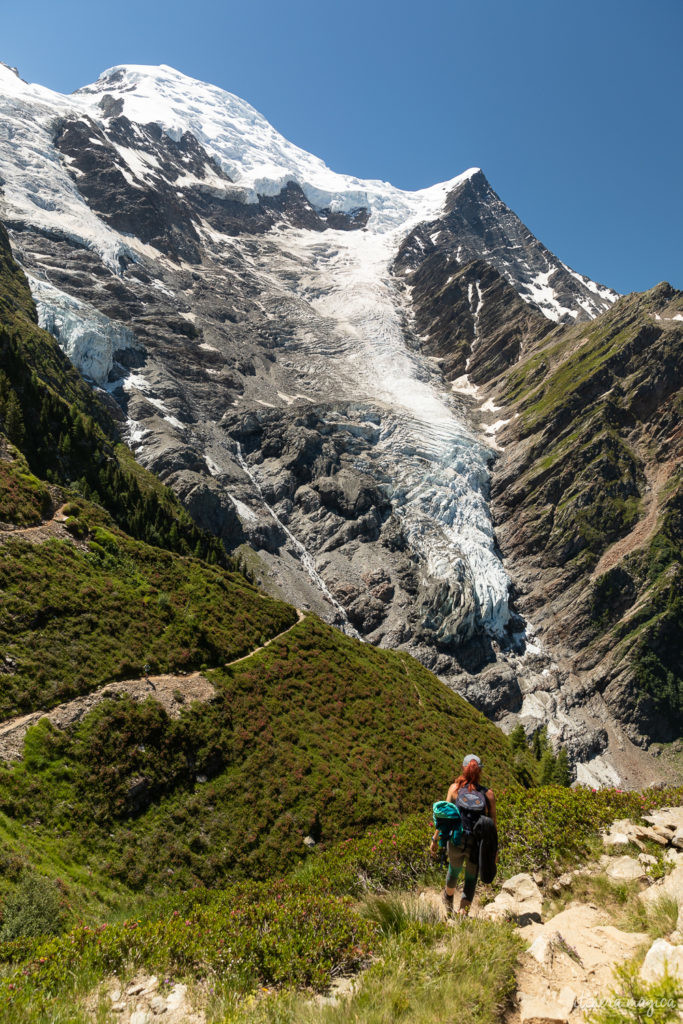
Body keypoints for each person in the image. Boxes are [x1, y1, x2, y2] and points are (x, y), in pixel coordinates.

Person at [430, 753, 497, 917]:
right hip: (477, 845)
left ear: (463, 769)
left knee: (453, 872)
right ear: (480, 771)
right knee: (470, 879)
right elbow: (492, 826)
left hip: (456, 840)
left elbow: (444, 817)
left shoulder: (454, 789)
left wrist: (434, 839)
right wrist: (494, 851)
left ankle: (448, 905)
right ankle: (462, 914)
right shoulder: (488, 795)